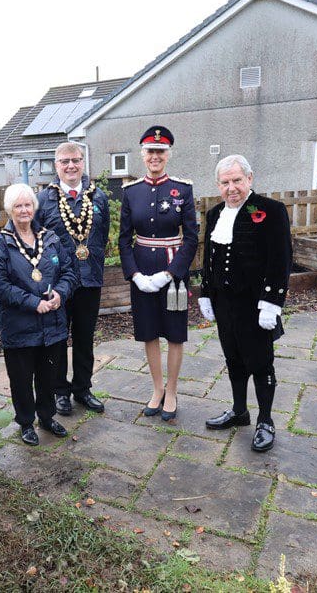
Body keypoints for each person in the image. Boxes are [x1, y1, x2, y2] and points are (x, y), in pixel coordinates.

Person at [200, 155, 292, 452]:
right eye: (225, 183)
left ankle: (266, 421)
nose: (231, 188)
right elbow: (209, 257)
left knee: (261, 362)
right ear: (218, 185)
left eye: (237, 180)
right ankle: (240, 412)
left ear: (249, 179)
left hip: (256, 306)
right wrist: (205, 292)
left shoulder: (269, 210)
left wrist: (272, 302)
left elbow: (280, 259)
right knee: (234, 360)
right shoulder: (214, 214)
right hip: (224, 304)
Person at [0, 183, 80, 445]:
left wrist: (61, 292)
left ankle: (47, 417)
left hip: (52, 324)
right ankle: (26, 422)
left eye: (28, 204)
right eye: (18, 206)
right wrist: (32, 302)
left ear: (34, 207)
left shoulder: (51, 239)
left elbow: (70, 272)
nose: (24, 210)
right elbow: (0, 286)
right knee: (21, 378)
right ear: (10, 210)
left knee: (48, 374)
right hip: (19, 327)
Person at [118, 125, 198, 421]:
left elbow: (191, 238)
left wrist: (170, 273)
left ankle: (173, 391)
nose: (155, 156)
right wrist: (135, 275)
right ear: (142, 155)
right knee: (148, 333)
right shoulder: (131, 191)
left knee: (175, 335)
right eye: (150, 151)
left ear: (168, 155)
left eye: (160, 151)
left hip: (172, 271)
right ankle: (156, 389)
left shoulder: (183, 189)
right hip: (142, 270)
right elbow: (124, 239)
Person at [34, 142, 110, 416]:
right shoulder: (43, 200)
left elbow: (103, 235)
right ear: (56, 165)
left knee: (85, 337)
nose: (71, 166)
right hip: (58, 285)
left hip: (90, 279)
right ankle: (59, 392)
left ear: (82, 162)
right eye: (64, 161)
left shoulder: (98, 196)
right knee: (56, 338)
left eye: (75, 160)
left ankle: (83, 389)